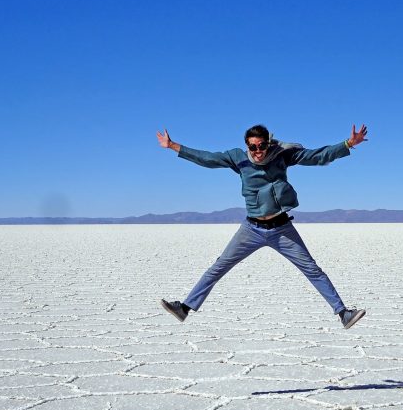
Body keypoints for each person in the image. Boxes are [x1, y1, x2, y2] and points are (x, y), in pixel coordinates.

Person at [156, 123, 368, 329]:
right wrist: (173, 145)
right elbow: (208, 159)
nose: (258, 151)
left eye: (261, 146)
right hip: (251, 229)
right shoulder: (238, 158)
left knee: (312, 269)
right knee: (218, 268)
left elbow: (318, 156)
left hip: (282, 229)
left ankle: (343, 314)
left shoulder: (282, 155)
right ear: (247, 146)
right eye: (253, 147)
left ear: (268, 143)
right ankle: (184, 308)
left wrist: (348, 143)